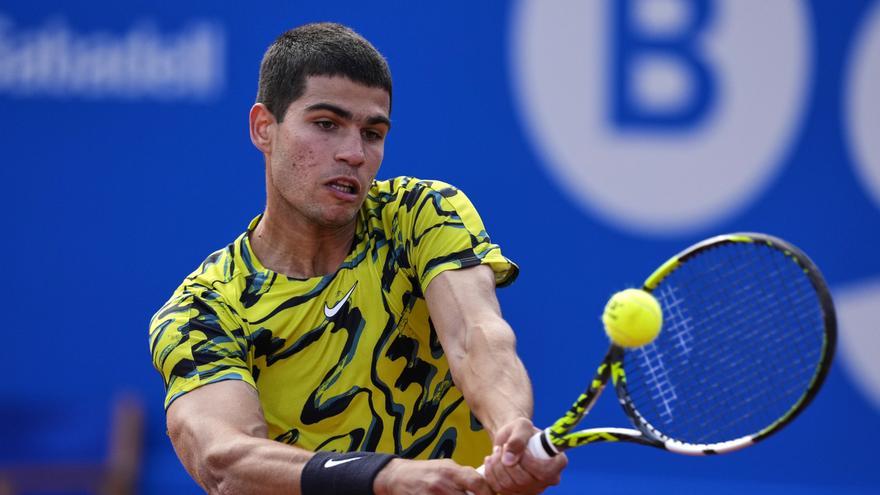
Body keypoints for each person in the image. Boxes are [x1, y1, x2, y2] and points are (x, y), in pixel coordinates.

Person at [149, 22, 567, 495]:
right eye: (326, 124)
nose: (353, 153)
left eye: (372, 133)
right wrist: (381, 477)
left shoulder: (419, 214)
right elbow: (225, 459)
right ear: (264, 128)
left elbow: (477, 337)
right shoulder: (205, 310)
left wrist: (510, 426)